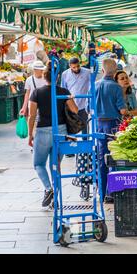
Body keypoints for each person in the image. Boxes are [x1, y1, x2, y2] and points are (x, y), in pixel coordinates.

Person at [28, 62, 78, 207]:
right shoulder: (63, 91)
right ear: (57, 77)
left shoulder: (37, 92)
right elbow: (74, 110)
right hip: (61, 130)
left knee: (38, 164)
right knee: (55, 165)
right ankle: (55, 199)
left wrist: (30, 134)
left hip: (43, 130)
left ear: (44, 77)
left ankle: (48, 188)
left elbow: (31, 116)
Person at [95, 58, 128, 203]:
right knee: (114, 158)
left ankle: (101, 193)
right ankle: (111, 192)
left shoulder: (94, 86)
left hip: (98, 125)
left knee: (102, 158)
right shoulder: (116, 87)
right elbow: (122, 110)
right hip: (113, 125)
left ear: (102, 71)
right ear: (115, 71)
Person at [61, 57, 91, 135]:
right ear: (70, 66)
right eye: (74, 67)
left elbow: (92, 87)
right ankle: (72, 145)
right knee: (71, 126)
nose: (76, 69)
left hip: (83, 104)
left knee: (84, 126)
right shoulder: (65, 74)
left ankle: (85, 144)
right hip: (71, 105)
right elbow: (63, 89)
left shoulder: (87, 72)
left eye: (78, 66)